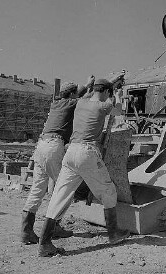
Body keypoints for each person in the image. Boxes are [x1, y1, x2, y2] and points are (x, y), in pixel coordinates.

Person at [38, 75, 130, 257]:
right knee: (109, 191)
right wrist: (118, 95)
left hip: (70, 153)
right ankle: (113, 233)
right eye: (107, 93)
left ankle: (44, 242)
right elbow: (118, 111)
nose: (106, 96)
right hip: (87, 154)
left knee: (59, 196)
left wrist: (110, 83)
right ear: (104, 92)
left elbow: (88, 94)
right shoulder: (103, 105)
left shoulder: (80, 102)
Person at [20, 76, 95, 245]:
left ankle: (26, 232)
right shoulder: (72, 104)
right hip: (54, 146)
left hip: (41, 146)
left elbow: (80, 94)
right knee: (64, 189)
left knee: (37, 189)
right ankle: (54, 228)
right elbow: (84, 99)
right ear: (72, 94)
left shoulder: (57, 103)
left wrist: (87, 85)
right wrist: (93, 86)